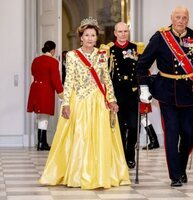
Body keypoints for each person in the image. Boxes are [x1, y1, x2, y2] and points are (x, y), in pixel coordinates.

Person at [39, 17, 130, 189]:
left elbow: (106, 79)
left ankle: (100, 173)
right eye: (86, 35)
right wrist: (66, 103)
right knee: (80, 136)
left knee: (100, 137)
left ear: (97, 38)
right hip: (79, 100)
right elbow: (69, 80)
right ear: (81, 37)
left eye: (93, 35)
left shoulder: (102, 55)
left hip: (98, 101)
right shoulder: (73, 56)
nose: (90, 38)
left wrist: (112, 100)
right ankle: (78, 174)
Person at [136, 6, 193, 187]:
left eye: (184, 17)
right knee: (171, 134)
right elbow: (141, 65)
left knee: (189, 135)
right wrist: (144, 87)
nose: (181, 20)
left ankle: (180, 165)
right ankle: (176, 176)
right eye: (178, 17)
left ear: (188, 19)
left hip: (189, 93)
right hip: (167, 93)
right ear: (171, 18)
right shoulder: (160, 37)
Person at [107, 22, 159, 168]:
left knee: (134, 126)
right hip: (117, 94)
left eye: (125, 31)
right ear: (115, 33)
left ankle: (130, 153)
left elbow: (142, 71)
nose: (123, 34)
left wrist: (144, 88)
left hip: (132, 93)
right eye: (120, 31)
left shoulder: (137, 48)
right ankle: (123, 156)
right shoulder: (108, 50)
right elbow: (106, 75)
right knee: (120, 129)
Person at [27, 40, 63, 151]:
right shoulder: (53, 61)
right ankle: (42, 144)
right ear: (52, 50)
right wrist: (61, 93)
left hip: (35, 88)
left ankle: (42, 142)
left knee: (40, 116)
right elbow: (55, 79)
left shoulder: (36, 60)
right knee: (44, 116)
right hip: (45, 90)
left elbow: (33, 73)